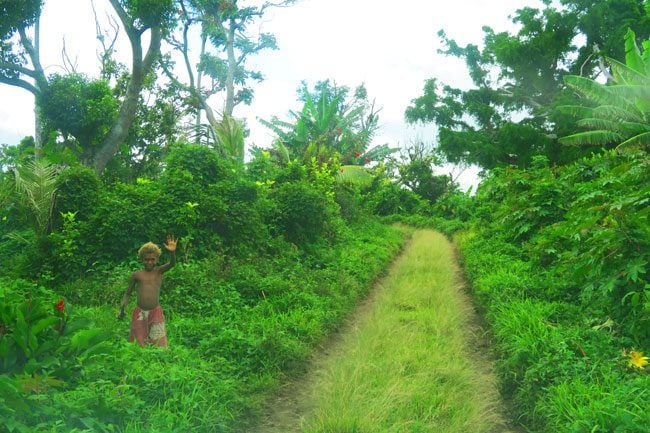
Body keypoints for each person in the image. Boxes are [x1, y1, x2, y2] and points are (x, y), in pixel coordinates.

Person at [118, 235, 177, 347]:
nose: (149, 262)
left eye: (152, 259)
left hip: (156, 312)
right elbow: (127, 293)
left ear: (157, 259)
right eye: (147, 260)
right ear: (142, 260)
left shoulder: (159, 271)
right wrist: (122, 309)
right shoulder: (137, 275)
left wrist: (172, 252)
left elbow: (172, 264)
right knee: (138, 343)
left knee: (159, 343)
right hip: (140, 313)